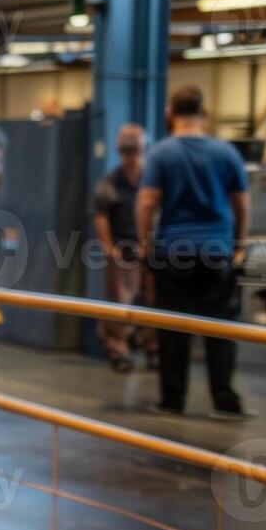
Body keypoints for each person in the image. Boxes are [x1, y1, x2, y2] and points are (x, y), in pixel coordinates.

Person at [137, 87, 254, 421]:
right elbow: (241, 202)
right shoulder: (226, 153)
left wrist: (146, 246)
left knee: (173, 329)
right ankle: (225, 400)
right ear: (204, 112)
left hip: (174, 251)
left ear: (169, 113)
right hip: (217, 251)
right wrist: (239, 245)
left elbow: (147, 202)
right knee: (222, 329)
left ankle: (172, 400)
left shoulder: (161, 154)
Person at [93, 124, 155, 372]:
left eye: (135, 149)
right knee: (117, 304)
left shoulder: (151, 180)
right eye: (126, 149)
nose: (130, 155)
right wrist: (110, 248)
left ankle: (151, 346)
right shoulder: (109, 182)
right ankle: (118, 349)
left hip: (149, 252)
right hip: (122, 251)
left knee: (153, 301)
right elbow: (100, 215)